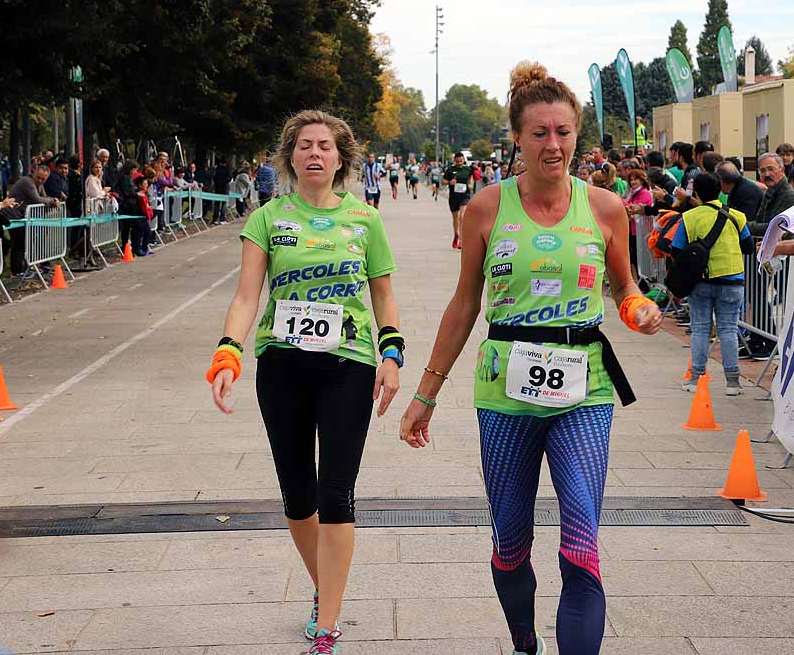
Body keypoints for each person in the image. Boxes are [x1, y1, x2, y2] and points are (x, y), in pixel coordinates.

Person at [399, 61, 662, 655]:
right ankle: (524, 642)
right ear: (516, 137)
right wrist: (425, 394)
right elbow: (465, 303)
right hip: (505, 389)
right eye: (540, 133)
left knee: (581, 542)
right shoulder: (486, 209)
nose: (554, 144)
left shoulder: (604, 208)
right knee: (511, 539)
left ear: (578, 135)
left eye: (564, 132)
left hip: (584, 389)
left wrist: (638, 309)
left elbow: (626, 287)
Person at [208, 110, 402, 655]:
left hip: (349, 362)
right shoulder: (269, 217)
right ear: (290, 157)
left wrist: (392, 352)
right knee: (298, 497)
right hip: (283, 365)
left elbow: (383, 294)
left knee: (336, 493)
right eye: (304, 146)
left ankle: (328, 622)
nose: (315, 154)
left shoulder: (365, 220)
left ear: (342, 159)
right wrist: (228, 352)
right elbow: (247, 296)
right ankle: (325, 589)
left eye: (325, 146)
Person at [673, 173, 753, 396]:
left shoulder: (689, 218)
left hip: (701, 281)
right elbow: (748, 246)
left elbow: (676, 250)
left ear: (695, 192)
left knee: (700, 328)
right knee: (728, 329)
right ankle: (733, 382)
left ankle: (696, 377)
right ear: (719, 190)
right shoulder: (737, 216)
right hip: (732, 280)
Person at [1, 162, 59, 278]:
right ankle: (16, 271)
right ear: (34, 173)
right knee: (19, 241)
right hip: (12, 214)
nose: (40, 181)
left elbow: (44, 197)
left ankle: (26, 266)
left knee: (24, 241)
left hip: (20, 215)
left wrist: (51, 200)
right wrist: (53, 201)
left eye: (43, 179)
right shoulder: (27, 182)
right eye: (38, 177)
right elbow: (37, 199)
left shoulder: (39, 184)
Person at [747, 153, 794, 236]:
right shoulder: (769, 192)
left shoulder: (790, 195)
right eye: (762, 171)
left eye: (771, 169)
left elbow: (777, 227)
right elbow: (759, 220)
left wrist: (743, 225)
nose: (767, 174)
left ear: (782, 170)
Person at [444, 152, 474, 249]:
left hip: (464, 196)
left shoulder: (467, 169)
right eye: (457, 161)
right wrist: (450, 182)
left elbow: (471, 178)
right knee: (456, 219)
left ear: (463, 160)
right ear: (454, 161)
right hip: (453, 197)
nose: (459, 163)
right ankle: (456, 234)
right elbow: (443, 181)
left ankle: (461, 240)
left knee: (462, 217)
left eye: (461, 161)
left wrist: (471, 185)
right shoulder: (450, 170)